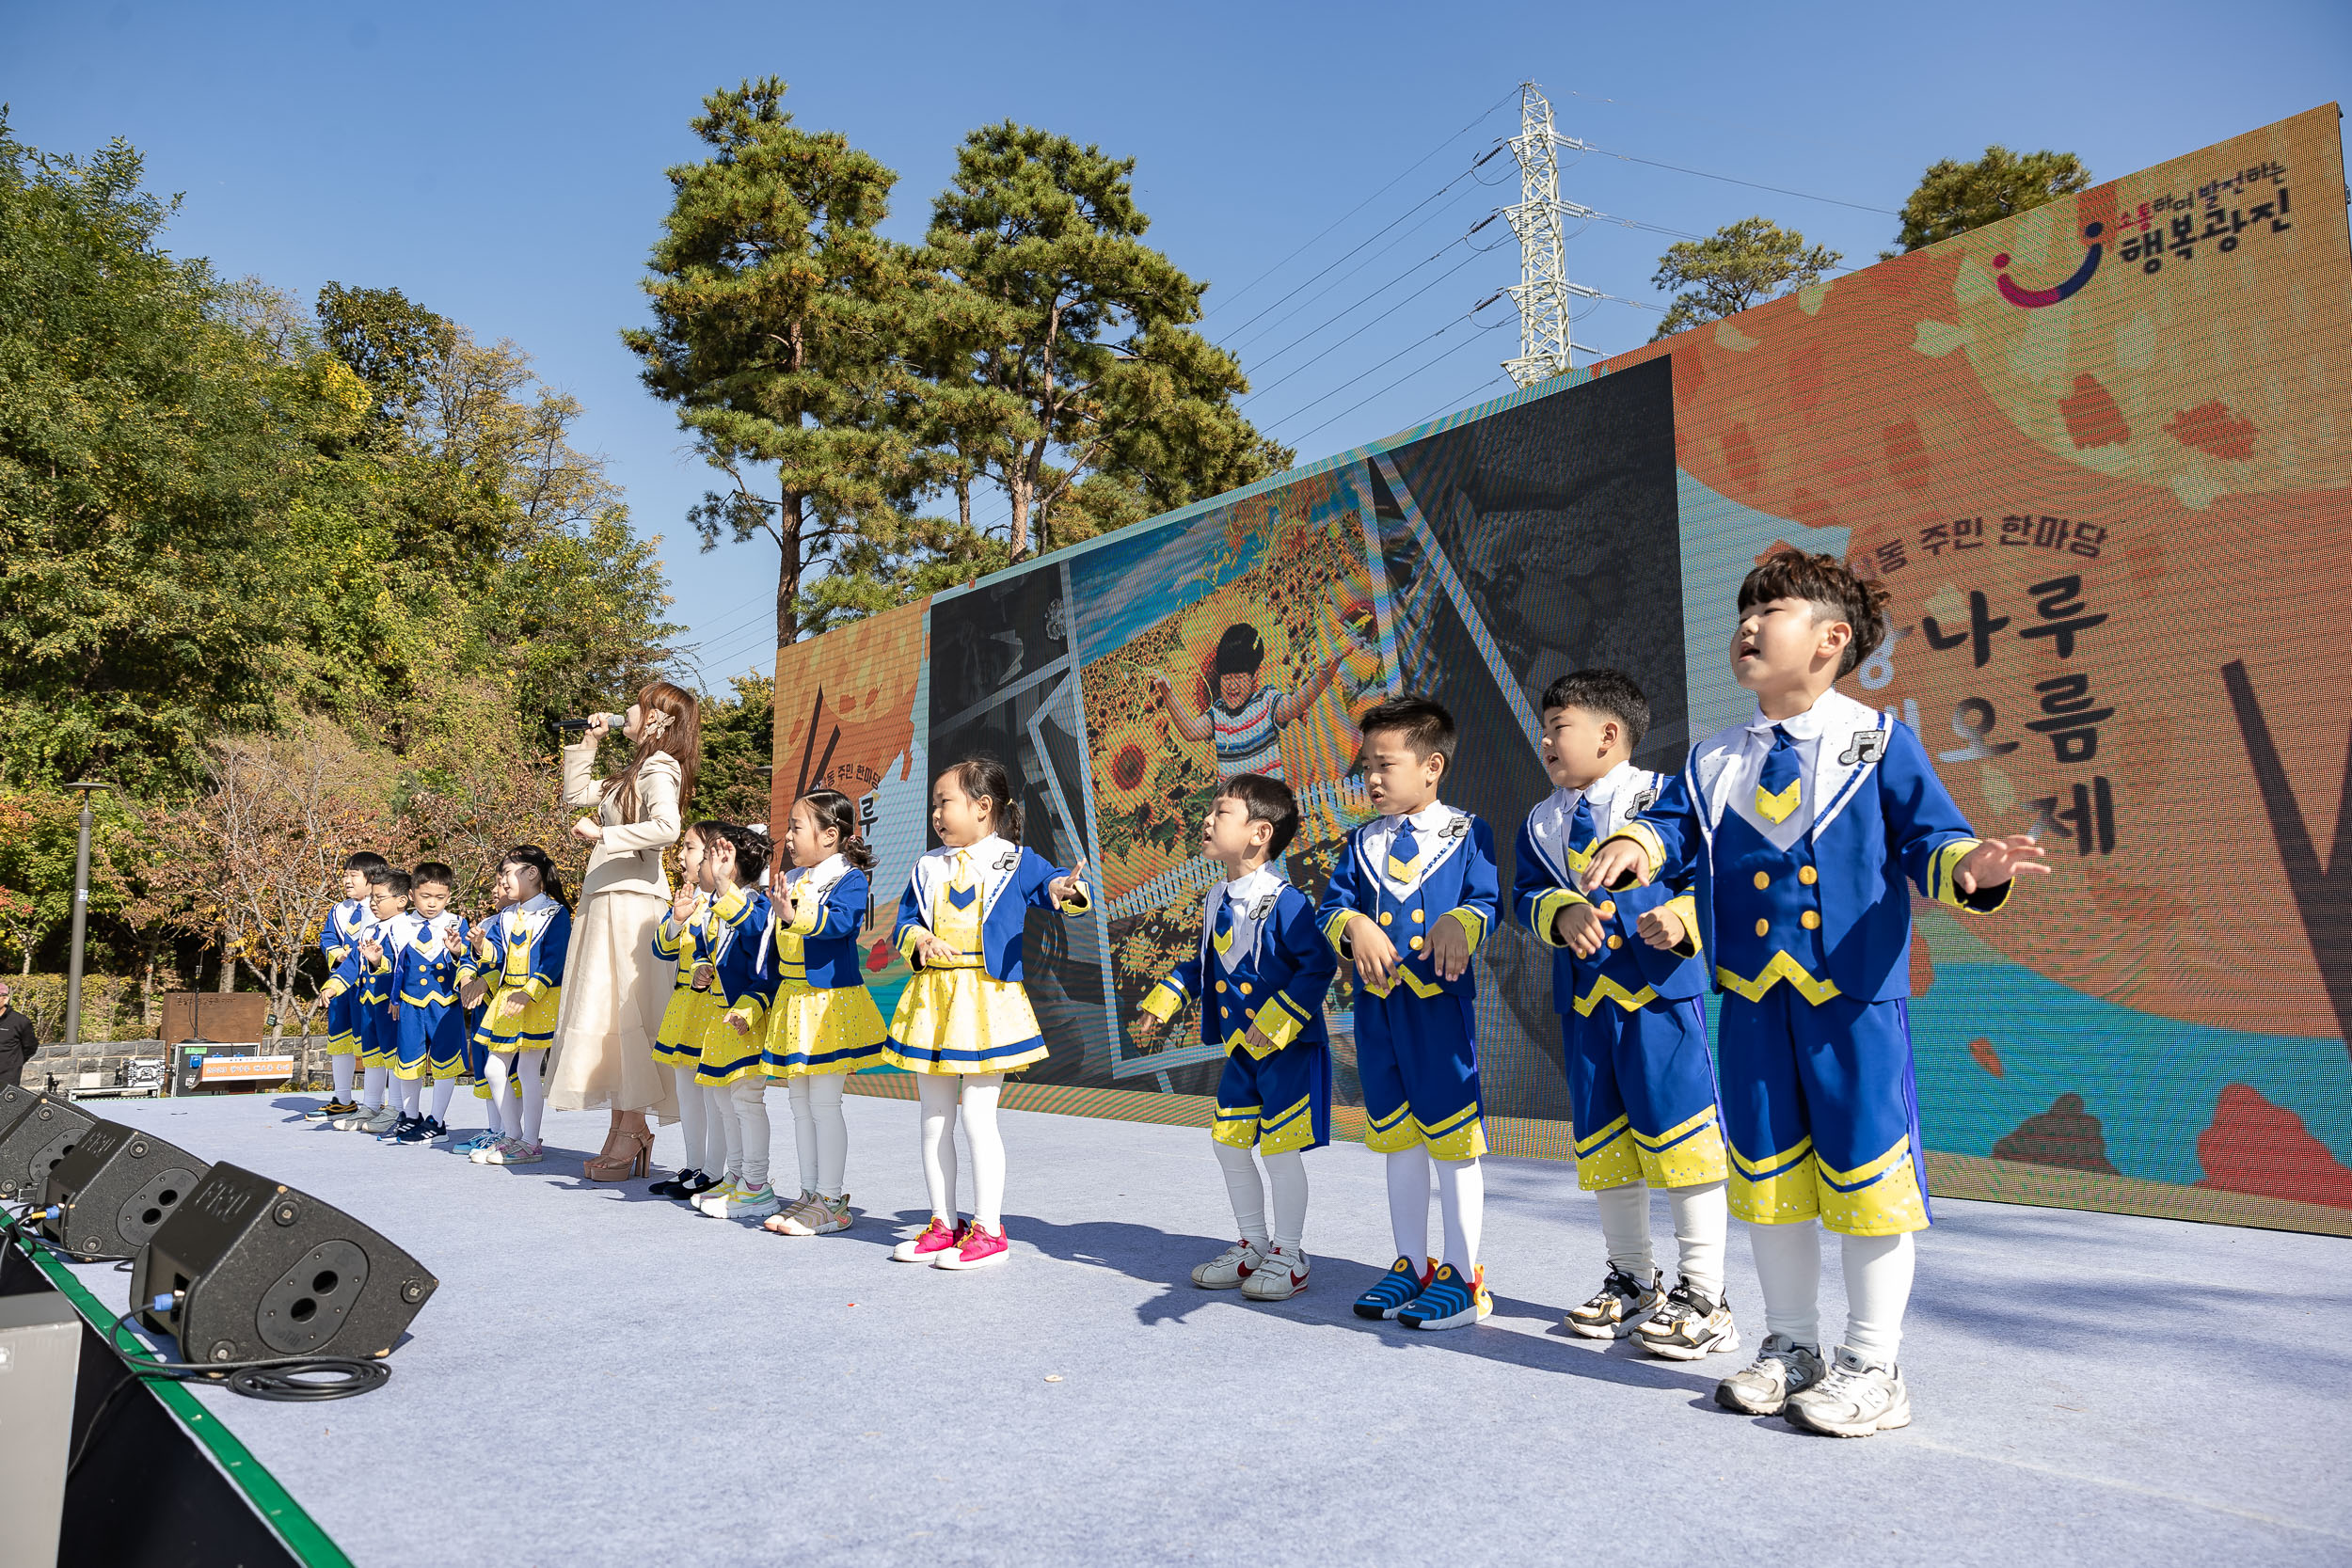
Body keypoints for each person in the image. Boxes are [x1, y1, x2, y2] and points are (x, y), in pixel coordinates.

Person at [1581, 548, 2047, 1437]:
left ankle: (1874, 1363)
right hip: (1754, 1006)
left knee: (1869, 1178)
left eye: (1774, 609)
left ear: (1833, 640)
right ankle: (1792, 1345)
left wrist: (1974, 867)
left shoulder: (1879, 741)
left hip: (1854, 1008)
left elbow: (1934, 843)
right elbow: (1671, 826)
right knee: (1771, 1180)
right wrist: (1639, 842)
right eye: (1745, 609)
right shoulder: (1715, 757)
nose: (1749, 623)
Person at [1511, 670, 1735, 1358]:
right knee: (1608, 1149)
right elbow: (1523, 894)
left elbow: (1712, 873)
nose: (1547, 740)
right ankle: (1635, 1281)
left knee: (1684, 1143)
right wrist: (1560, 912)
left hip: (1660, 1000)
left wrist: (1681, 917)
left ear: (1611, 734)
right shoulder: (1541, 819)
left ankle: (1707, 1296)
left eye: (1560, 726)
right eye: (1544, 729)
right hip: (1586, 1008)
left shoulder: (1664, 797)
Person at [1317, 694, 1500, 1332]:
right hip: (1378, 1015)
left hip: (1438, 1012)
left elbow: (1487, 898)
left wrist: (1461, 921)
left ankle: (1464, 1272)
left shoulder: (1468, 832)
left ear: (1432, 766)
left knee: (1453, 1142)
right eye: (1366, 764)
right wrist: (1353, 925)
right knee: (1397, 1138)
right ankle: (1411, 1262)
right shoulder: (1360, 842)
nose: (1371, 777)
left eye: (1385, 764)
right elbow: (1330, 908)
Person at [1136, 772, 1338, 1302]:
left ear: (1259, 833)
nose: (1206, 820)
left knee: (1280, 1151)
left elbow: (1317, 967)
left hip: (1287, 1052)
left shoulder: (1286, 901)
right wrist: (1164, 1002)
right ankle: (1253, 1244)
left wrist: (1274, 1023)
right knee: (1228, 1144)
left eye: (1221, 812)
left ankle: (1290, 1254)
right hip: (1241, 1055)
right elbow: (1200, 965)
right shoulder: (1214, 899)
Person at [883, 758, 1091, 1271]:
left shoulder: (1015, 861)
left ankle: (989, 1230)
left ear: (983, 808)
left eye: (944, 802)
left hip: (986, 999)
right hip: (934, 999)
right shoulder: (926, 865)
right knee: (934, 1119)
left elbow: (1056, 890)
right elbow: (903, 923)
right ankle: (941, 1223)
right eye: (934, 803)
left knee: (978, 1118)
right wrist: (920, 939)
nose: (936, 812)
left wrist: (1067, 891)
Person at [719, 788, 888, 1238]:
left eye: (796, 827)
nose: (788, 837)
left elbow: (842, 923)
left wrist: (795, 913)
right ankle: (809, 1195)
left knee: (825, 1104)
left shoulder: (848, 880)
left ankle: (831, 1200)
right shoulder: (791, 877)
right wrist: (726, 890)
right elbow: (763, 931)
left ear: (830, 835)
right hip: (793, 1003)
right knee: (799, 1104)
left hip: (828, 1005)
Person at [547, 683, 698, 1181]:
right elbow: (576, 796)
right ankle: (623, 1128)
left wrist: (605, 834)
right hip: (608, 894)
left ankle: (631, 1130)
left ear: (659, 721)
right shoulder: (633, 771)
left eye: (638, 705)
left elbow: (668, 828)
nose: (626, 711)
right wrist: (586, 748)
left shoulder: (660, 768)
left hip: (632, 900)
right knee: (606, 1008)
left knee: (625, 1007)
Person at [687, 823, 777, 1216]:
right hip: (724, 1018)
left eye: (708, 856)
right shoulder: (712, 910)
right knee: (724, 1099)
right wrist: (701, 967)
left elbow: (763, 954)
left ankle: (757, 1184)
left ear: (731, 866)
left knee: (746, 1100)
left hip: (750, 1016)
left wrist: (751, 1006)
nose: (702, 864)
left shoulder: (757, 905)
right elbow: (711, 951)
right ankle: (736, 1176)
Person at [467, 847, 574, 1167]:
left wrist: (529, 992)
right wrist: (480, 944)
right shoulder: (506, 915)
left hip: (536, 999)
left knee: (527, 1070)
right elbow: (496, 955)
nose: (503, 881)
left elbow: (555, 959)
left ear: (532, 873)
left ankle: (529, 1141)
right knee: (493, 1068)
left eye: (508, 873)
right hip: (507, 998)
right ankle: (511, 1135)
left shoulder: (556, 914)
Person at [644, 823, 728, 1205]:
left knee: (713, 1093)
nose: (681, 856)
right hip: (683, 1006)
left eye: (690, 848)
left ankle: (714, 1170)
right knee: (686, 1090)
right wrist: (676, 918)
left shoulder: (729, 902)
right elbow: (660, 948)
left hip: (713, 1006)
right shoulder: (688, 900)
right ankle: (695, 1166)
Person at [1150, 621, 1343, 781]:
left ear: (1254, 676)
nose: (1232, 686)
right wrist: (1167, 692)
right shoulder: (1218, 714)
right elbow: (1190, 731)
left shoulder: (1266, 702)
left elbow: (1295, 704)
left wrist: (1330, 669)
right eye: (1226, 678)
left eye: (1239, 677)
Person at [387, 862, 471, 1146]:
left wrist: (458, 952)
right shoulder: (399, 925)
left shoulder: (458, 923)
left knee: (445, 1061)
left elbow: (470, 961)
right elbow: (395, 964)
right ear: (412, 894)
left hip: (445, 1005)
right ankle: (411, 1116)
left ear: (449, 896)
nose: (432, 903)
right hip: (410, 1005)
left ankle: (436, 1121)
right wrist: (394, 996)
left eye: (440, 897)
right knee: (408, 1060)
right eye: (425, 896)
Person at [305, 850, 388, 1121]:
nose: (347, 881)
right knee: (339, 1043)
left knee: (373, 1045)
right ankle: (342, 1099)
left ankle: (375, 1103)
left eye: (354, 875)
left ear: (372, 879)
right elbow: (327, 937)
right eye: (345, 875)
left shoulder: (383, 911)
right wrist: (339, 955)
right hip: (342, 987)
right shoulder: (339, 910)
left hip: (372, 987)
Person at [349, 867, 410, 1136]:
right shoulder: (370, 929)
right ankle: (370, 1105)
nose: (373, 903)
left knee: (393, 1055)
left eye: (379, 897)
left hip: (390, 1003)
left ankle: (396, 1108)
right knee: (372, 1056)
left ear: (402, 899)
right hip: (369, 1001)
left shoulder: (407, 927)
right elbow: (354, 963)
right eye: (371, 897)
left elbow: (403, 967)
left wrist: (397, 997)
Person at [0, 980, 38, 1090]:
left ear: (5, 998)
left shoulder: (20, 1022)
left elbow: (30, 1048)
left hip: (6, 1081)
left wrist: (13, 1063)